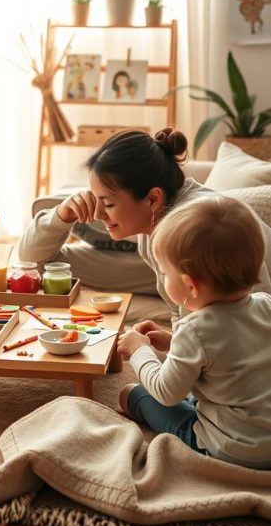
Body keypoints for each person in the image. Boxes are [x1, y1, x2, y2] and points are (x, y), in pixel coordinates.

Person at [17, 127, 271, 314]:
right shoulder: (151, 230)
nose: (97, 214)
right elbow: (32, 261)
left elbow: (249, 323)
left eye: (107, 203)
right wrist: (61, 215)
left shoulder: (201, 227)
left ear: (152, 199)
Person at [116, 196, 271, 468]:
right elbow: (232, 354)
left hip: (230, 450)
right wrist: (172, 342)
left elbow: (166, 392)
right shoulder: (266, 305)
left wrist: (139, 350)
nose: (163, 278)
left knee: (132, 393)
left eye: (164, 273)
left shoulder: (195, 329)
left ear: (191, 285)